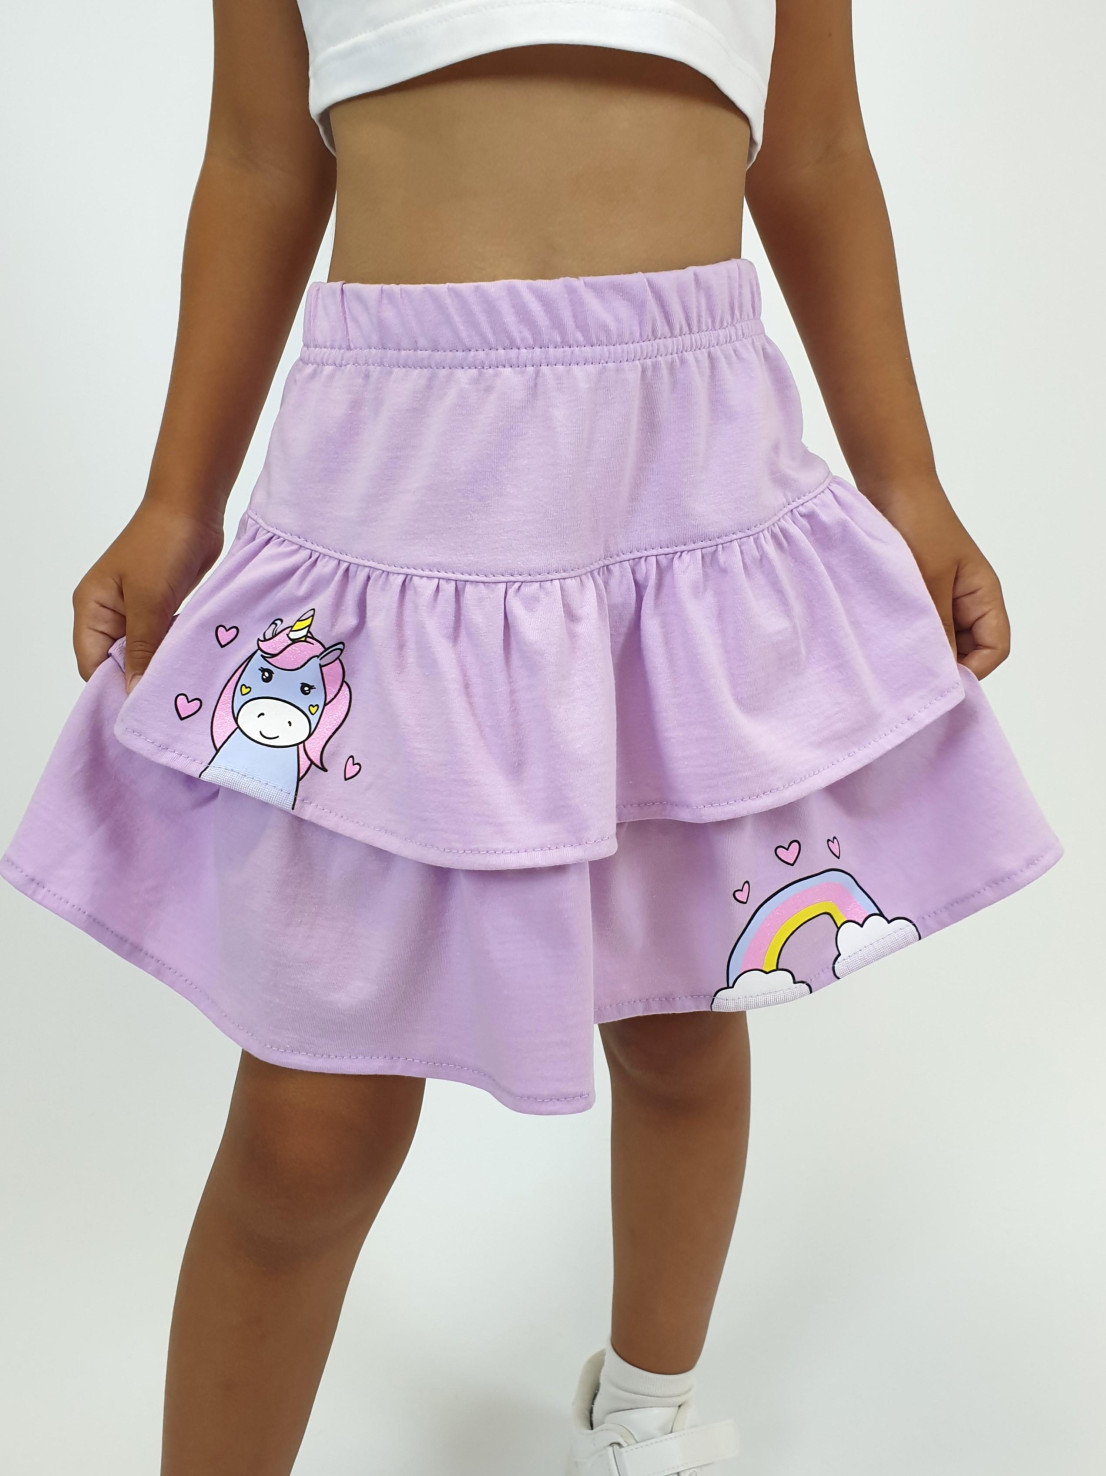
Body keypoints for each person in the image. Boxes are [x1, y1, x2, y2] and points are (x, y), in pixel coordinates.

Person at [1, 2, 1063, 1472]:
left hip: (688, 491)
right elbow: (257, 157)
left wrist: (908, 481)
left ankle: (645, 1419)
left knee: (684, 1016)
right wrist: (179, 500)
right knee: (309, 1127)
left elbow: (813, 147)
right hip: (397, 508)